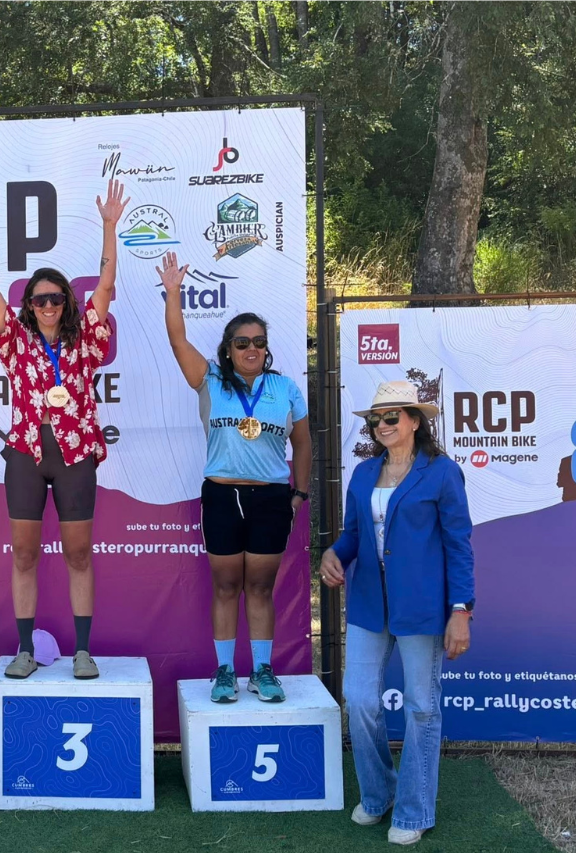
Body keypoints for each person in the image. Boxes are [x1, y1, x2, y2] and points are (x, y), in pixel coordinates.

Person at [0, 179, 127, 680]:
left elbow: (106, 285)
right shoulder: (14, 340)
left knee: (79, 554)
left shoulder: (88, 338)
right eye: (39, 299)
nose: (48, 305)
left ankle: (83, 652)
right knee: (25, 555)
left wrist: (110, 226)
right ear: (29, 305)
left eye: (56, 298)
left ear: (67, 302)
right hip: (27, 455)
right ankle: (26, 649)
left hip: (75, 456)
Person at [321, 380, 474, 846]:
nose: (382, 425)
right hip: (369, 603)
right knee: (359, 700)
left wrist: (461, 609)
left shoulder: (442, 473)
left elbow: (458, 546)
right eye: (375, 419)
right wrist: (334, 553)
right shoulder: (363, 473)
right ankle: (379, 793)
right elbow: (353, 535)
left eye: (392, 417)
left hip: (423, 608)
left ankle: (414, 809)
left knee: (422, 708)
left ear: (414, 421)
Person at [159, 255, 312, 703]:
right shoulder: (209, 380)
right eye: (242, 342)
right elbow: (177, 339)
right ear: (228, 348)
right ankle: (224, 672)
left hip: (270, 499)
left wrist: (299, 493)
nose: (251, 349)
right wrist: (173, 294)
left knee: (260, 588)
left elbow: (303, 443)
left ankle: (262, 671)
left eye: (259, 342)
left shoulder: (285, 388)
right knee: (226, 586)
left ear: (266, 348)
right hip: (223, 498)